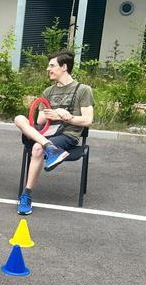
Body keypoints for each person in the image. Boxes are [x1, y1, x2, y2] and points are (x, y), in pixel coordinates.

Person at [13, 49, 94, 215]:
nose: (48, 69)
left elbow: (87, 120)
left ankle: (26, 195)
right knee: (19, 118)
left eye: (51, 66)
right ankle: (50, 147)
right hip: (46, 132)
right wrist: (56, 112)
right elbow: (40, 120)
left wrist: (68, 117)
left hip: (67, 135)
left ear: (64, 67)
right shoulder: (48, 92)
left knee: (37, 148)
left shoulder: (83, 90)